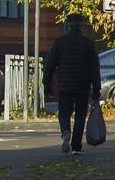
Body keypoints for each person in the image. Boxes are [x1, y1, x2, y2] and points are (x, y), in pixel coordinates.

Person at [40, 14, 102, 154]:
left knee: (64, 112)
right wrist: (96, 87)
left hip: (65, 84)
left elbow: (50, 64)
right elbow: (94, 68)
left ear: (68, 25)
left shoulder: (59, 42)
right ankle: (76, 146)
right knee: (80, 115)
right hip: (82, 85)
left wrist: (46, 83)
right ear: (81, 25)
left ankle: (65, 131)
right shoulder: (88, 43)